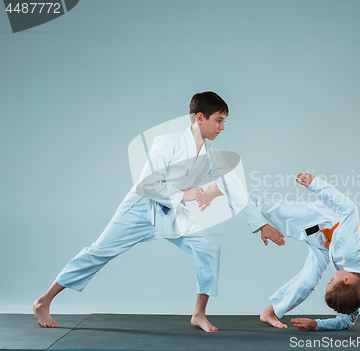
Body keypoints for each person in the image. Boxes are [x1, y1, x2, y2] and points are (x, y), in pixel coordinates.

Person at [33, 92, 285, 332]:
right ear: (200, 118)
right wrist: (183, 195)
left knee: (209, 248)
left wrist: (260, 224)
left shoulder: (212, 155)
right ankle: (44, 301)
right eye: (218, 120)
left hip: (172, 213)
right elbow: (146, 184)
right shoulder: (168, 142)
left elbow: (234, 187)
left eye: (224, 122)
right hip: (141, 208)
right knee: (99, 252)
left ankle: (198, 314)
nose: (222, 127)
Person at [199, 172, 360, 340]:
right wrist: (316, 185)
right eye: (332, 280)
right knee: (269, 209)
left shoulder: (357, 289)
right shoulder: (353, 248)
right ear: (347, 279)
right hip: (321, 224)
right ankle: (223, 187)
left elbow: (346, 320)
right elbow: (349, 209)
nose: (329, 278)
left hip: (328, 248)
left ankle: (270, 312)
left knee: (307, 282)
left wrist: (317, 325)